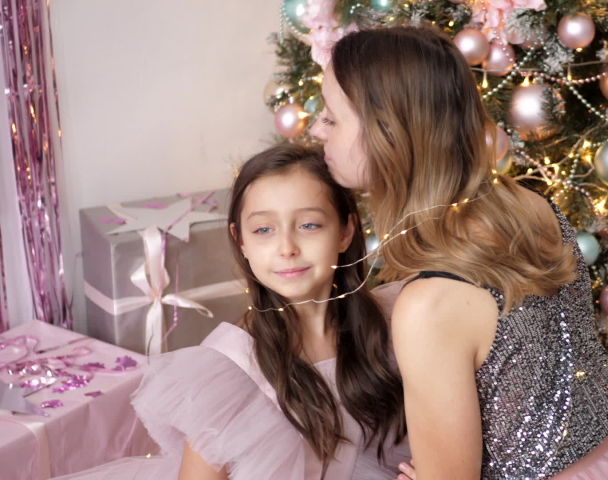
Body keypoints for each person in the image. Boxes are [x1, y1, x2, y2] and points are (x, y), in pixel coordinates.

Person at [310, 26, 608, 480]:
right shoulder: (528, 204)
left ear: (390, 135)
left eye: (332, 117)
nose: (316, 128)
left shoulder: (430, 304)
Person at [55, 143, 409, 480]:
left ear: (346, 231)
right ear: (241, 240)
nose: (287, 247)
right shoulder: (232, 368)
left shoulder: (395, 321)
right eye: (264, 230)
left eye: (308, 225)